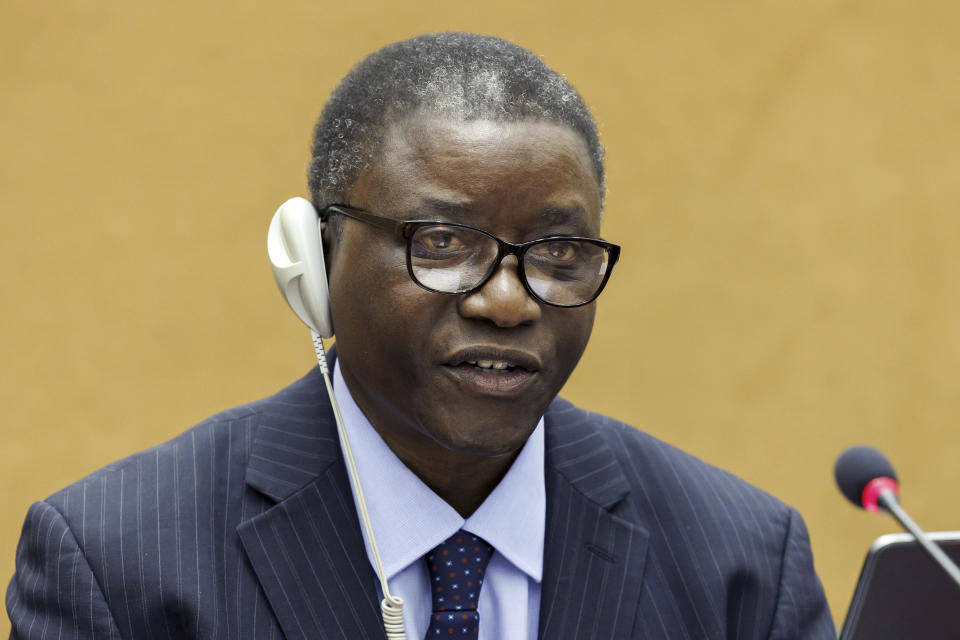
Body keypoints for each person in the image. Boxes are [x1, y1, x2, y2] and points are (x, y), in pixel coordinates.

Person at [6, 32, 835, 639]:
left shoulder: (743, 566)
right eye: (441, 243)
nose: (508, 302)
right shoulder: (117, 564)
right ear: (315, 254)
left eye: (557, 251)